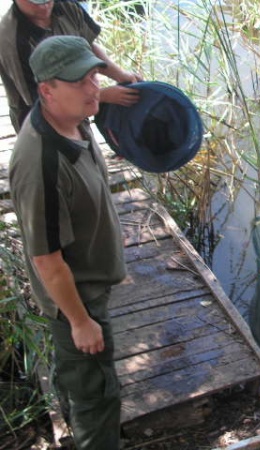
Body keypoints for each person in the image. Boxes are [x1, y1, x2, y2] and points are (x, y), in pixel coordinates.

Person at [9, 35, 127, 449]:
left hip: (92, 278)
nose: (94, 88)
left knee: (82, 383)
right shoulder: (39, 164)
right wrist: (79, 321)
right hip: (78, 297)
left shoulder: (76, 116)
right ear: (46, 90)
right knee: (97, 397)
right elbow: (46, 260)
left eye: (94, 76)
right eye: (80, 82)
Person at [0, 0, 141, 132]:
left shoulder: (67, 6)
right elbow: (38, 99)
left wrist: (120, 75)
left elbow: (87, 46)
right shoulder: (10, 41)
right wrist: (101, 95)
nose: (44, 5)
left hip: (79, 109)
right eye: (36, 1)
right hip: (42, 123)